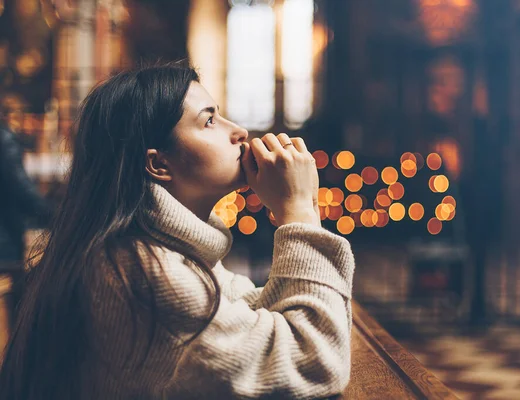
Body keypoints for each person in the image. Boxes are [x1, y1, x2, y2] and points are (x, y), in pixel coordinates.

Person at [0, 64, 355, 400]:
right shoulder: (141, 269)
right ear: (157, 163)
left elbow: (255, 315)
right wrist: (299, 211)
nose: (239, 131)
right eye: (210, 121)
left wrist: (297, 206)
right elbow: (316, 360)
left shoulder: (158, 247)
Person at [0, 122, 51, 325]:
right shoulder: (3, 139)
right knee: (12, 315)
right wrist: (56, 216)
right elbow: (21, 190)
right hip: (5, 244)